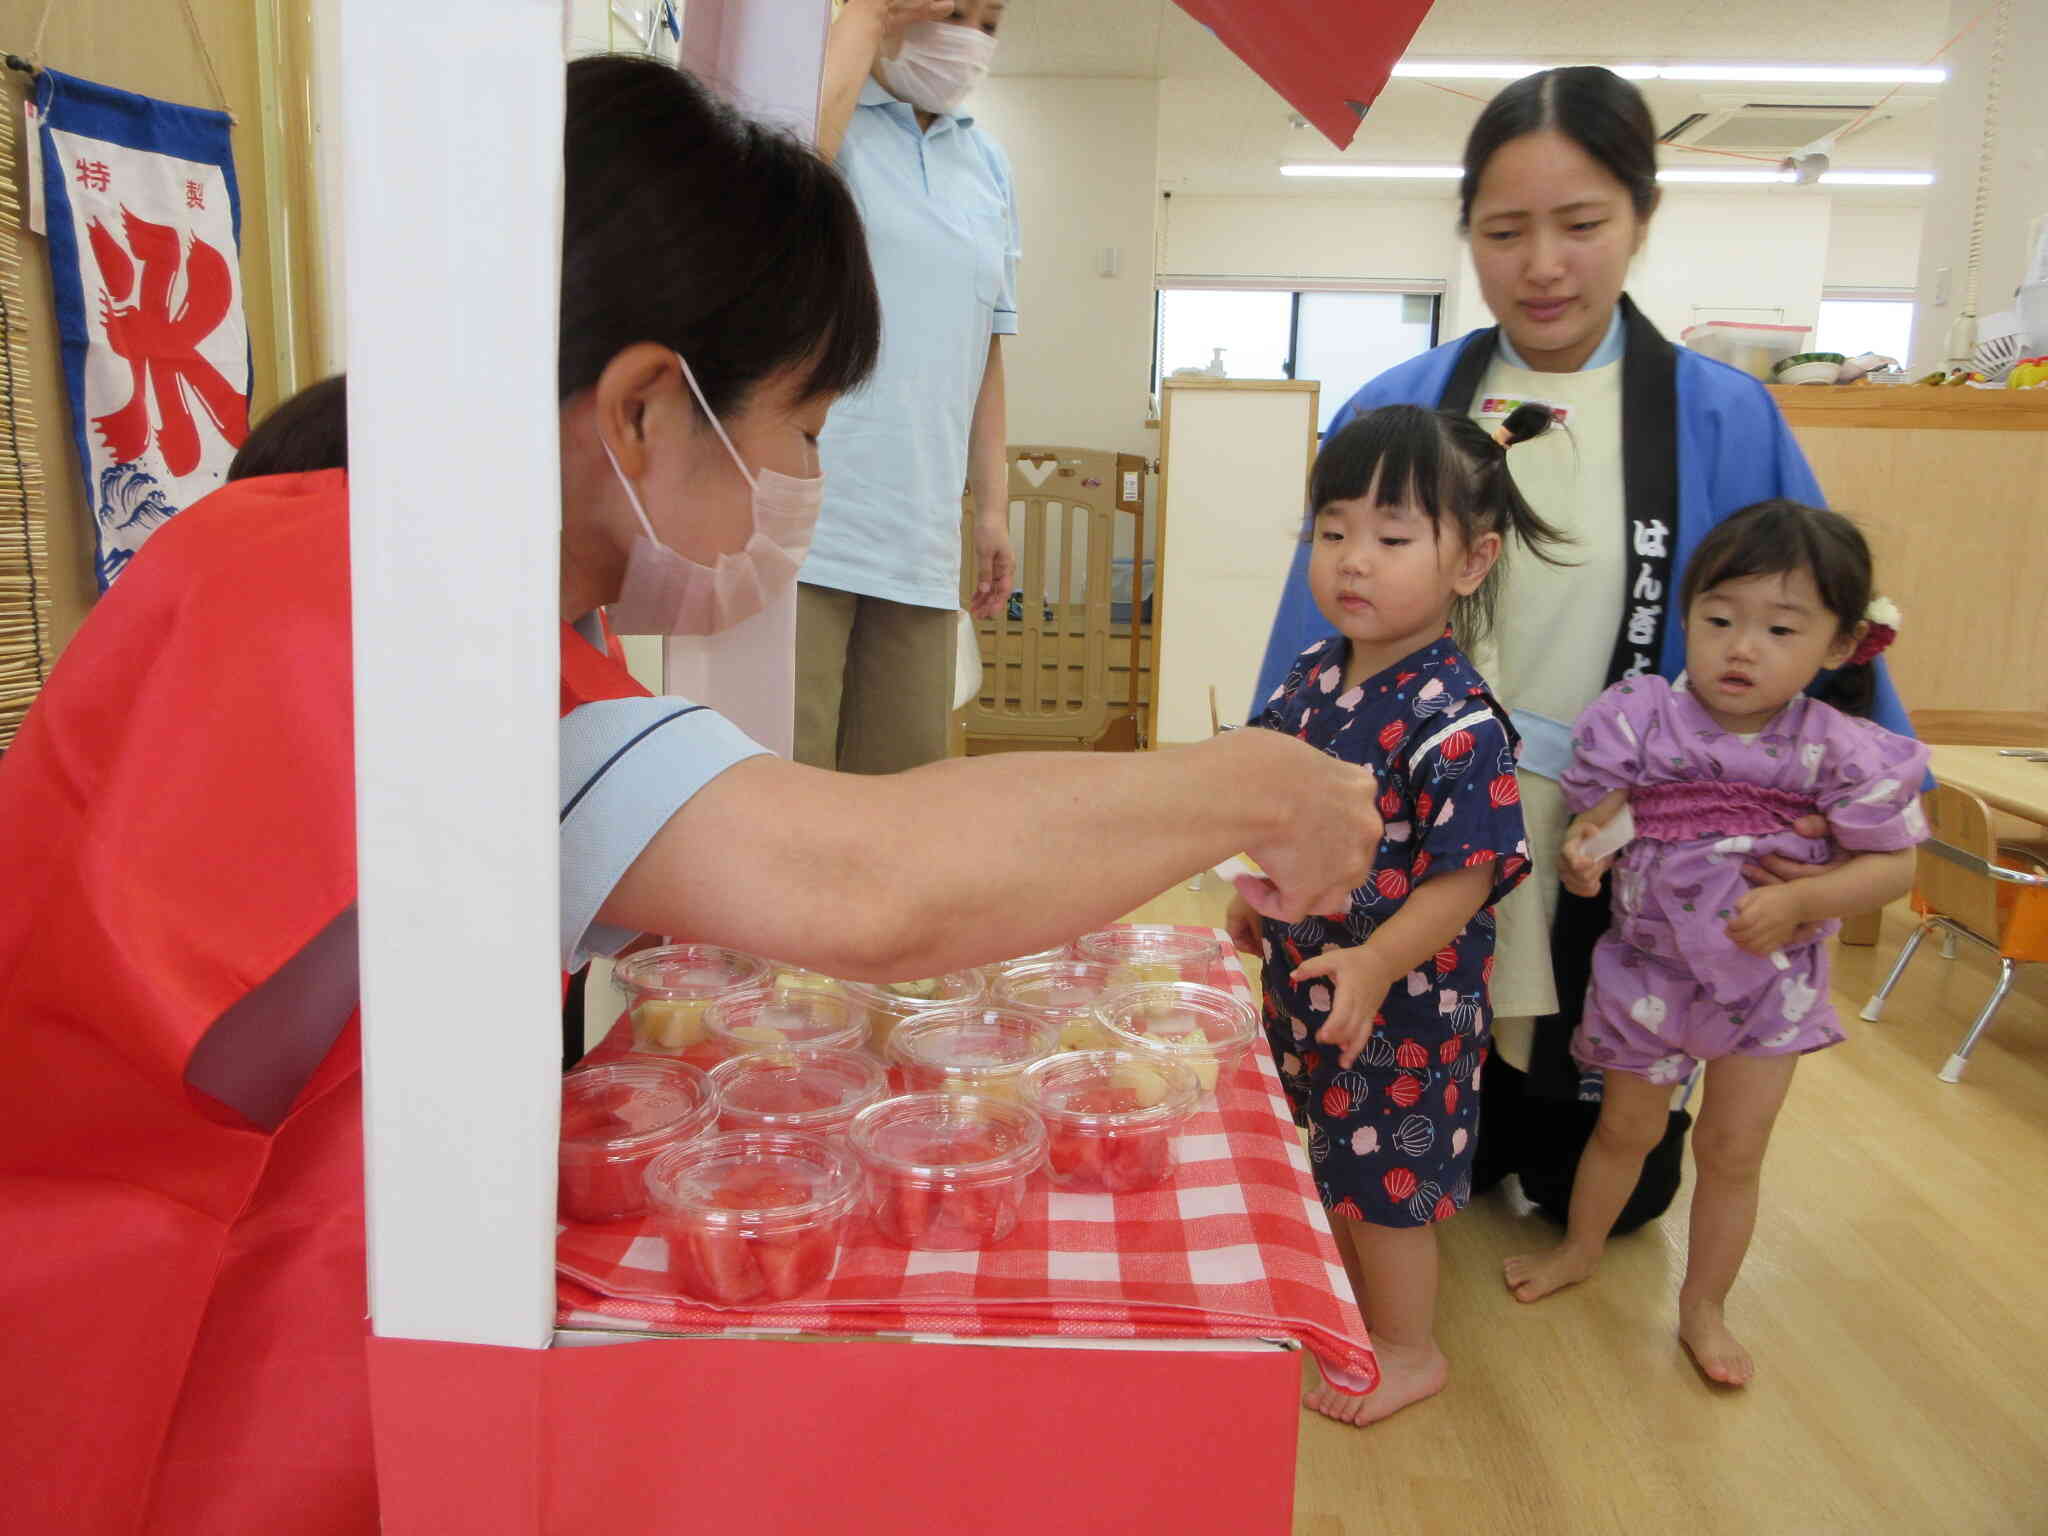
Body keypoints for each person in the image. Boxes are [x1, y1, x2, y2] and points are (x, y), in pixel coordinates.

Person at [0, 57, 1380, 1535]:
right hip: (141, 1365)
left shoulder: (362, 563)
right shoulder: (380, 616)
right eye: (803, 429)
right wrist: (1251, 782)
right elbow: (869, 885)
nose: (805, 482)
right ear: (650, 407)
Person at [1252, 65, 1918, 1234]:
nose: (1542, 265)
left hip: (1615, 839)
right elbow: (1322, 626)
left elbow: (1820, 620)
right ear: (1467, 235)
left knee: (1602, 1185)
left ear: (1640, 222)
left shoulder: (1719, 414)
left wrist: (1847, 827)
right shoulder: (1402, 404)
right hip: (1427, 815)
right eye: (1504, 231)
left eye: (1581, 225)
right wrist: (1262, 811)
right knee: (1405, 1119)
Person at [1502, 501, 1927, 1386]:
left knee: (1735, 1153)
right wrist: (1585, 857)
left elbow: (1893, 867)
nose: (1742, 647)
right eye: (1719, 619)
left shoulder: (1843, 750)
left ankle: (1704, 1306)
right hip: (1646, 973)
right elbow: (1602, 822)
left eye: (1780, 628)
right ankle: (1582, 1247)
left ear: (1842, 645)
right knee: (1621, 1131)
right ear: (1686, 616)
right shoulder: (1644, 719)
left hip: (1771, 989)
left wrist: (1809, 895)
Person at [1226, 400, 1570, 1427]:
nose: (1351, 561)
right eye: (1331, 531)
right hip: (1311, 975)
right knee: (1317, 1142)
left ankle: (1409, 1350)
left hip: (1404, 1005)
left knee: (1385, 1184)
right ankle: (1323, 1288)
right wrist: (1265, 901)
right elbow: (1281, 801)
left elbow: (1467, 876)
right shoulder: (1310, 677)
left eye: (1389, 536)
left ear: (1469, 562)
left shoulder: (1457, 718)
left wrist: (1376, 963)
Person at [796, 0, 1019, 772]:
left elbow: (985, 349)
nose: (968, 37)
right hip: (809, 523)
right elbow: (789, 181)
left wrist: (991, 508)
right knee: (787, 790)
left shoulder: (987, 164)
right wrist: (864, 18)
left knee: (900, 796)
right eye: (952, 10)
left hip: (921, 533)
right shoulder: (833, 116)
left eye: (990, 23)